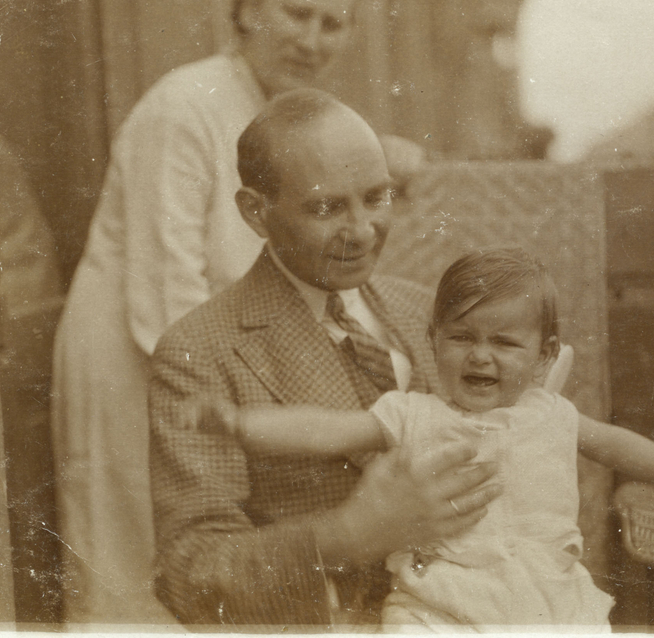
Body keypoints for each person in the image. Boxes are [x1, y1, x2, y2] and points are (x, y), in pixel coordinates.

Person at [51, 0, 391, 623]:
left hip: (207, 367)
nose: (312, 40)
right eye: (296, 13)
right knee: (134, 566)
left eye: (332, 23)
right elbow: (164, 280)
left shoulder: (278, 114)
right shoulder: (184, 105)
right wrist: (226, 395)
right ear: (247, 8)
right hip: (139, 358)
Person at [189, 247, 654, 628]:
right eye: (461, 337)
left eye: (504, 343)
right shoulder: (412, 413)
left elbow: (615, 444)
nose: (480, 356)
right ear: (433, 340)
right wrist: (240, 423)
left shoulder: (553, 413)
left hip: (548, 596)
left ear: (544, 356)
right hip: (438, 599)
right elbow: (324, 431)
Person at [148, 89, 499, 626]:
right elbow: (190, 574)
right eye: (325, 208)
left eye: (376, 197)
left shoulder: (427, 312)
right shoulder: (200, 352)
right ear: (255, 212)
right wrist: (346, 536)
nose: (362, 231)